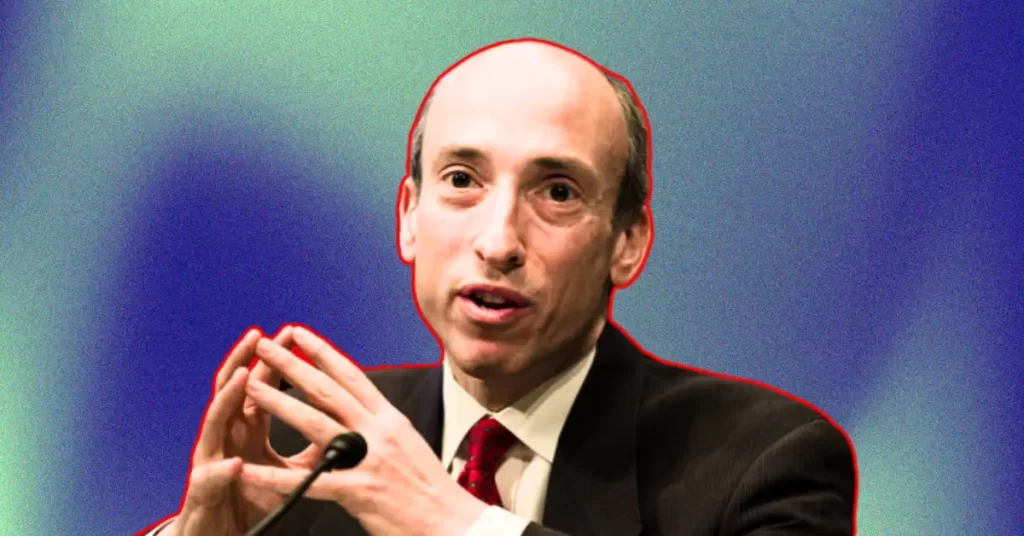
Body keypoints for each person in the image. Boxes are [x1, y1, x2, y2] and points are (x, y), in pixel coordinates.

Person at [142, 38, 857, 536]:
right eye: (462, 180)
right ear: (408, 218)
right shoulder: (313, 446)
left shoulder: (766, 462)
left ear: (628, 241)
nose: (499, 242)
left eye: (557, 192)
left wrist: (454, 525)